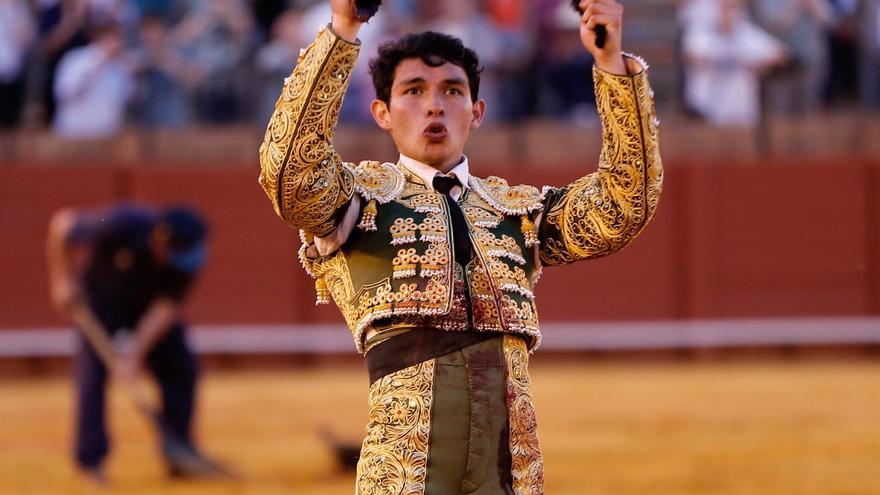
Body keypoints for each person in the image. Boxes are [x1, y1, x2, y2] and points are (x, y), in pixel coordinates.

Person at [257, 0, 662, 492]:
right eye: (413, 91)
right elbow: (290, 174)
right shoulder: (358, 203)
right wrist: (343, 31)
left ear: (477, 111)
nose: (434, 105)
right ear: (381, 113)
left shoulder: (515, 213)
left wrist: (611, 66)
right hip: (403, 464)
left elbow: (622, 205)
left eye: (452, 91)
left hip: (510, 463)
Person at [46, 204, 220, 484]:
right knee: (91, 376)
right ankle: (91, 462)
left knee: (182, 367)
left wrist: (134, 355)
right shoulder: (122, 224)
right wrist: (61, 279)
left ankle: (179, 450)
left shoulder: (187, 260)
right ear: (159, 241)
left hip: (147, 309)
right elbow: (62, 225)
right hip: (100, 304)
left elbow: (165, 308)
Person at [682, 0, 787, 126]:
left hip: (741, 114)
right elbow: (689, 54)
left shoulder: (747, 34)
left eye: (732, 8)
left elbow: (781, 55)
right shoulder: (702, 33)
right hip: (706, 113)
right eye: (724, 8)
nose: (728, 13)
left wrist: (761, 65)